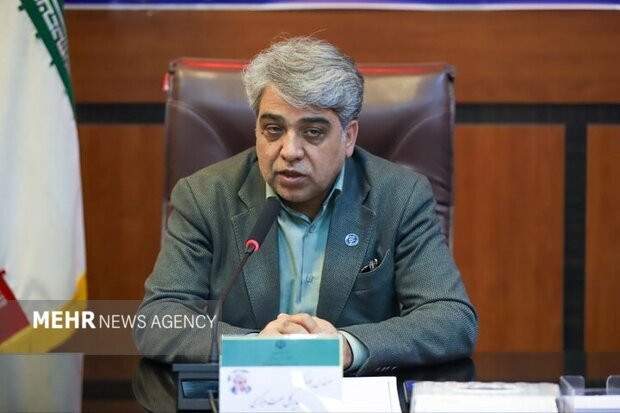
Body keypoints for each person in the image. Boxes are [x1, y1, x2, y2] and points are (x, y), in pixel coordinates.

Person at [134, 36, 477, 375]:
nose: (289, 151)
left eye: (312, 132)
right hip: (246, 391)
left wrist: (346, 347)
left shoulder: (400, 196)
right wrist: (254, 347)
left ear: (348, 137)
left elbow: (452, 318)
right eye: (273, 129)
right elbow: (157, 319)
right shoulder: (204, 196)